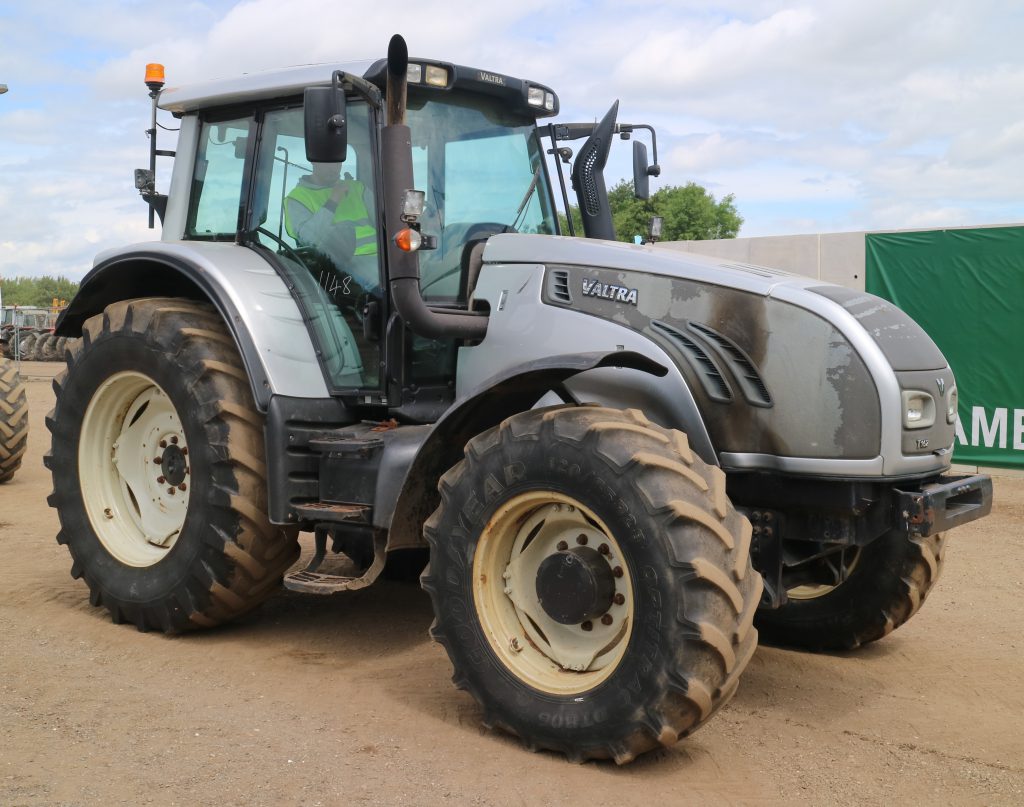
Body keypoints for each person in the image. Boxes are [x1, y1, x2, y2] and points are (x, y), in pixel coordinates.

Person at [284, 161, 379, 294]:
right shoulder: (297, 198)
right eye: (327, 162)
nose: (333, 167)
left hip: (383, 258)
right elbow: (309, 238)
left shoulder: (358, 188)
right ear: (314, 160)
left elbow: (385, 221)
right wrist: (333, 200)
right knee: (389, 289)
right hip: (342, 266)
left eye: (337, 161)